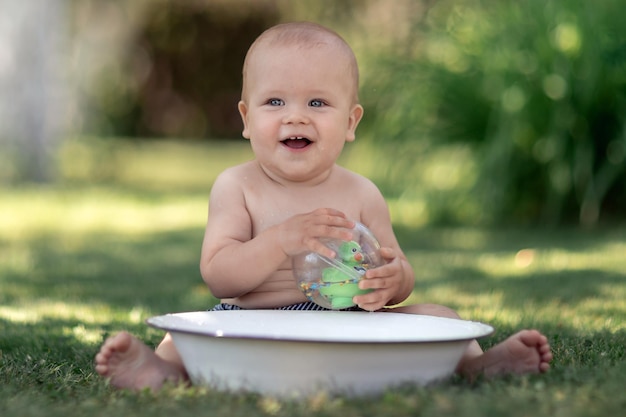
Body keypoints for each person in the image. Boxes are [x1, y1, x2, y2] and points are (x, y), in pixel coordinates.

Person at [95, 22, 552, 391]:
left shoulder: (362, 193)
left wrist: (391, 282)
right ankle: (164, 373)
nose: (296, 116)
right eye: (274, 101)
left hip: (347, 320)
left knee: (442, 318)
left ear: (350, 122)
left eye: (317, 102)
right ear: (246, 119)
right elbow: (218, 275)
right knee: (186, 332)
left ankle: (478, 367)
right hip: (253, 321)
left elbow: (398, 270)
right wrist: (280, 240)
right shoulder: (237, 187)